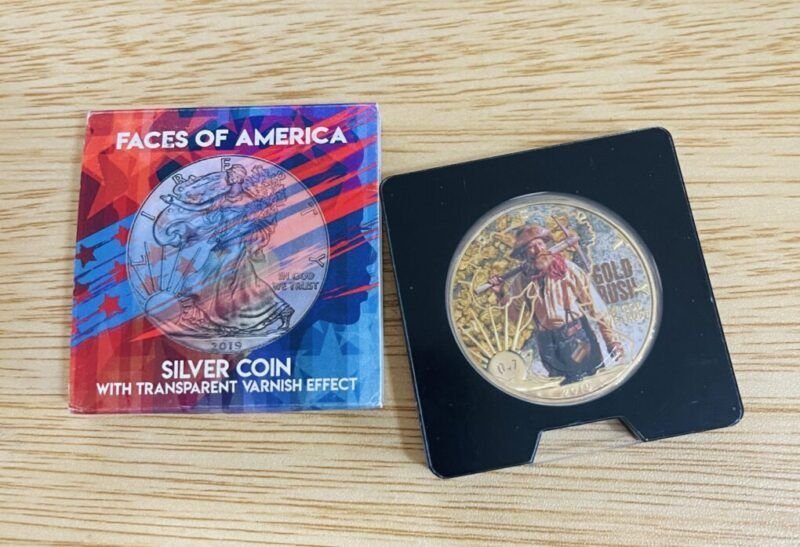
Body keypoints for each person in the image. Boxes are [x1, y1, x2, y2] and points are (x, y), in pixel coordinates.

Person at [489, 224, 622, 384]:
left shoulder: (568, 269)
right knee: (563, 389)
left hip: (577, 339)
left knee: (592, 381)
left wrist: (612, 341)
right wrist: (500, 294)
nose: (538, 250)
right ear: (524, 254)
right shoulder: (521, 281)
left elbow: (596, 307)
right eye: (531, 247)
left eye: (540, 244)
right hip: (548, 345)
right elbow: (516, 319)